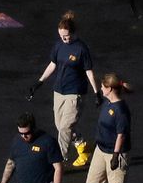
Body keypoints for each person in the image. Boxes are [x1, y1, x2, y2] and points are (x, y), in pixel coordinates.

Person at [29, 12, 99, 169]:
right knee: (60, 126)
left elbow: (89, 71)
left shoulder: (81, 49)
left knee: (66, 127)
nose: (64, 39)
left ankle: (60, 161)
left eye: (66, 36)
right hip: (59, 92)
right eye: (61, 36)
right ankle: (83, 147)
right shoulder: (59, 46)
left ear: (73, 33)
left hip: (75, 93)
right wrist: (39, 82)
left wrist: (97, 92)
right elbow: (53, 64)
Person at [65, 73, 131, 183]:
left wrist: (115, 156)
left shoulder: (121, 110)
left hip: (115, 153)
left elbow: (121, 135)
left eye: (103, 87)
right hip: (101, 150)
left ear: (109, 89)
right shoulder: (108, 103)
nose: (100, 88)